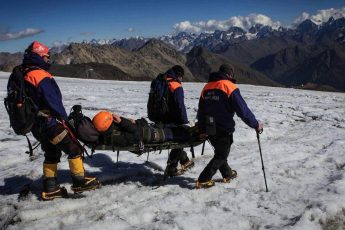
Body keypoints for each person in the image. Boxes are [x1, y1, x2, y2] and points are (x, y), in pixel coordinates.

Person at [22, 41, 101, 200]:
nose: (48, 60)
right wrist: (65, 121)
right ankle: (79, 182)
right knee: (74, 148)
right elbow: (54, 101)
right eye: (46, 56)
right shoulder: (40, 75)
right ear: (39, 56)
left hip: (37, 125)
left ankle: (50, 188)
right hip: (50, 123)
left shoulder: (24, 72)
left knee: (51, 153)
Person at [196, 64, 264, 188]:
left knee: (220, 152)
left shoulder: (207, 87)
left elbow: (201, 111)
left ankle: (227, 173)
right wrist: (255, 124)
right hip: (223, 127)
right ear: (230, 74)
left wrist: (202, 128)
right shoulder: (229, 86)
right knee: (221, 155)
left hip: (209, 126)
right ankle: (203, 179)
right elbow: (243, 110)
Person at [154, 65, 194, 177]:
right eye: (181, 76)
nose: (182, 79)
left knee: (178, 138)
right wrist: (185, 121)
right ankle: (171, 168)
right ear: (178, 75)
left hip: (159, 118)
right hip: (171, 120)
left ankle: (184, 160)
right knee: (181, 137)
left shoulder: (161, 81)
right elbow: (180, 106)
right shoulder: (175, 86)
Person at [91, 110, 196, 146]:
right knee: (174, 134)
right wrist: (123, 122)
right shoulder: (114, 136)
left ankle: (187, 128)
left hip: (145, 129)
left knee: (168, 126)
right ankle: (191, 134)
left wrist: (126, 121)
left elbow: (131, 129)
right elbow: (134, 136)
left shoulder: (110, 129)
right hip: (148, 135)